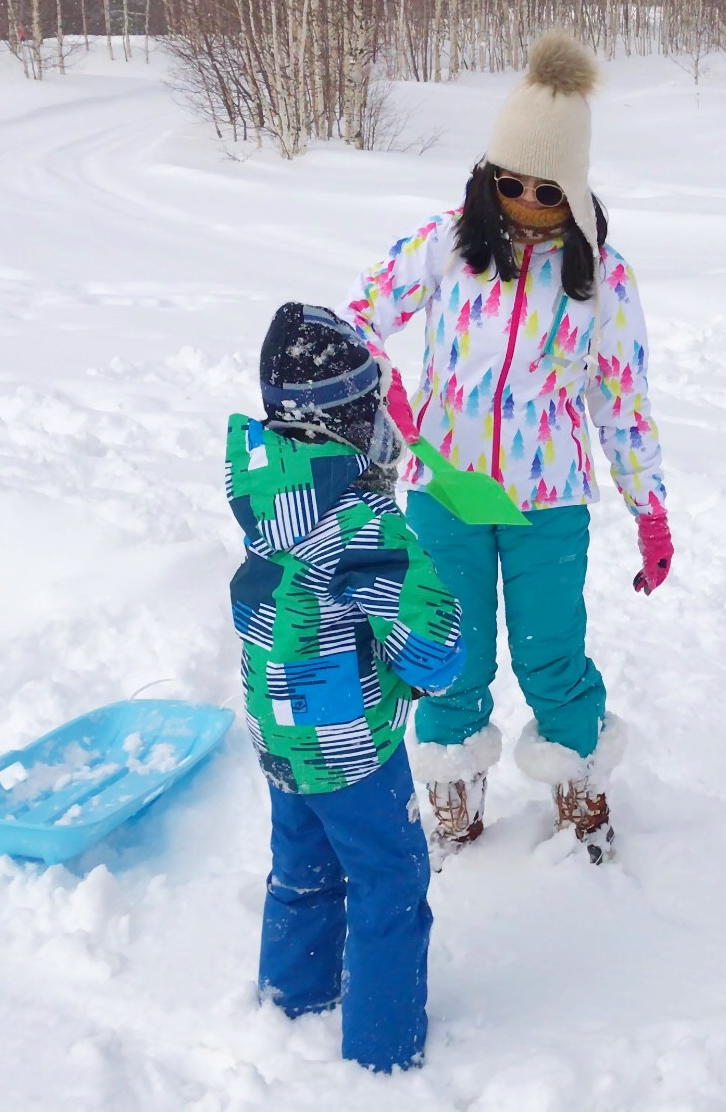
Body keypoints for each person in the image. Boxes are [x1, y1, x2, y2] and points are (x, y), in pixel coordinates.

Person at [343, 31, 672, 865]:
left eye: (545, 185)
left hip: (548, 499)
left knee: (550, 650)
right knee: (449, 645)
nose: (525, 198)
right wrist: (386, 387)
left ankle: (578, 778)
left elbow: (621, 400)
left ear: (575, 187)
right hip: (445, 489)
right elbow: (361, 321)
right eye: (509, 180)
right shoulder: (446, 244)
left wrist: (648, 505)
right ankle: (453, 789)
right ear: (487, 176)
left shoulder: (602, 279)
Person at [225, 302, 466, 1072]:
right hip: (352, 741)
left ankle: (292, 1000)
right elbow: (429, 647)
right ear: (349, 421)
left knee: (302, 864)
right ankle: (382, 1045)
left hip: (280, 728)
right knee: (388, 878)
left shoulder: (269, 490)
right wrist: (436, 639)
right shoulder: (359, 520)